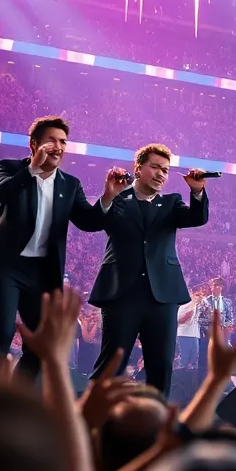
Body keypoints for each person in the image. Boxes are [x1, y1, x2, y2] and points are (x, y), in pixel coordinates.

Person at [0, 116, 109, 378]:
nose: (58, 147)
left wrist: (108, 197)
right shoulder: (10, 168)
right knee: (1, 333)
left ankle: (16, 398)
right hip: (5, 265)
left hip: (41, 273)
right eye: (51, 140)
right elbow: (2, 193)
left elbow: (89, 222)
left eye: (63, 142)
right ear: (34, 145)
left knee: (38, 345)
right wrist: (31, 170)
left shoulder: (70, 184)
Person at [88, 143, 210, 397]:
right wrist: (109, 195)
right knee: (111, 364)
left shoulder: (171, 203)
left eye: (165, 170)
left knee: (161, 366)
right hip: (121, 293)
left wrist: (197, 192)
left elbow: (197, 219)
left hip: (162, 296)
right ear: (138, 168)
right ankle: (93, 423)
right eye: (155, 167)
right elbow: (94, 222)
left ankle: (156, 427)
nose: (160, 174)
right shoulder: (118, 198)